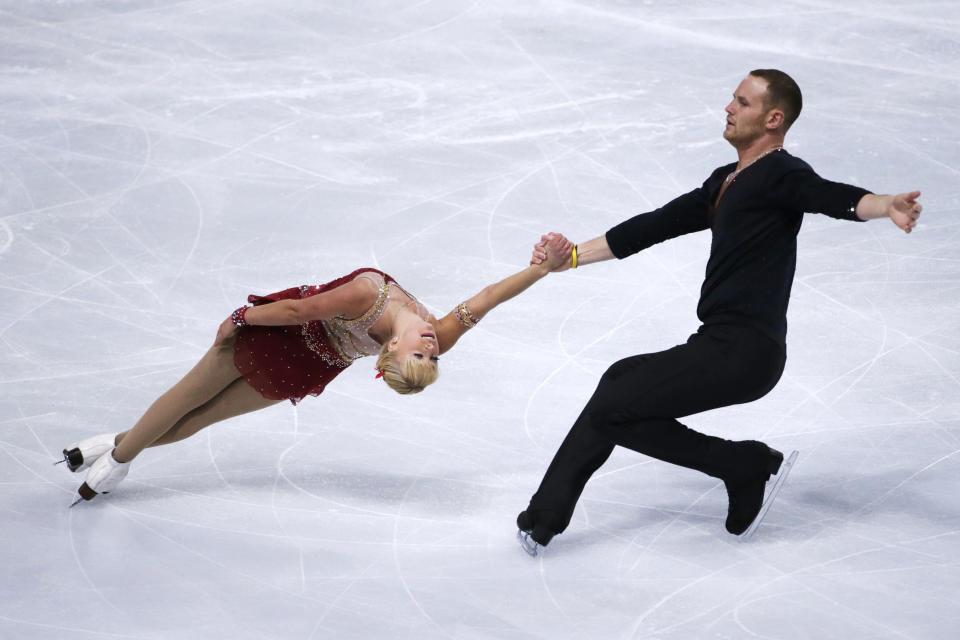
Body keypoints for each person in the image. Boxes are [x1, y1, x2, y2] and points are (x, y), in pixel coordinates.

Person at [516, 69, 923, 553]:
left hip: (746, 352)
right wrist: (573, 257)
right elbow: (653, 226)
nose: (729, 108)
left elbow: (833, 197)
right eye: (732, 98)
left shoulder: (781, 174)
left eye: (743, 103)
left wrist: (884, 205)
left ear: (774, 119)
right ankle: (735, 466)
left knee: (613, 408)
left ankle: (738, 465)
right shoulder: (724, 182)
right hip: (719, 343)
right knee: (618, 380)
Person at [60, 235, 573, 505]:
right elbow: (487, 299)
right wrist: (542, 268)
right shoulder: (440, 328)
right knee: (193, 410)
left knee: (192, 406)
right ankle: (111, 454)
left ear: (393, 348)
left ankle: (119, 456)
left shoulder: (371, 293)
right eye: (433, 357)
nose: (434, 347)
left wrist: (240, 316)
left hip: (285, 341)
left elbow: (301, 312)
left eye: (422, 355)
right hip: (302, 359)